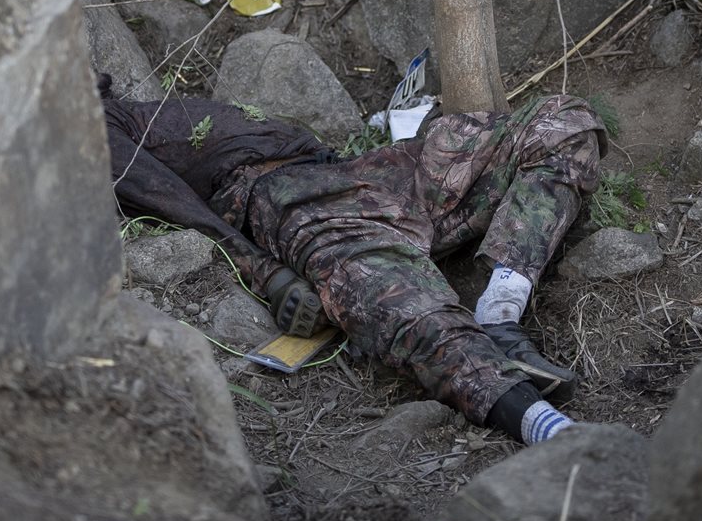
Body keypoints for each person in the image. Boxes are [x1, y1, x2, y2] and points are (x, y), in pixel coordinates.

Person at [102, 80, 606, 447]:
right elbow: (171, 202)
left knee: (562, 124)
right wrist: (266, 272)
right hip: (294, 201)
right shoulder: (88, 121)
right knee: (402, 308)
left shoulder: (132, 107)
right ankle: (552, 432)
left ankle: (499, 314)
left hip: (365, 169)